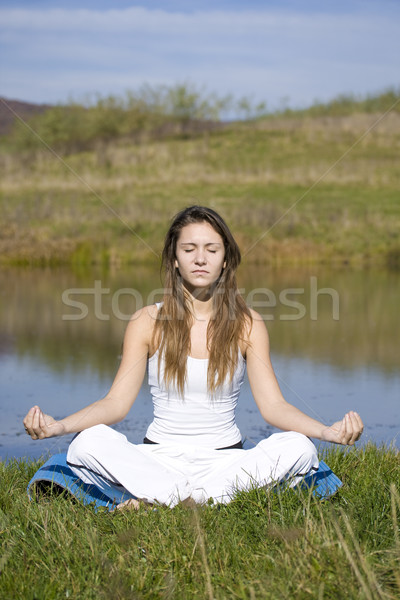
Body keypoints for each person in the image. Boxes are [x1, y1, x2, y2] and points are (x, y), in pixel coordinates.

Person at [23, 206, 363, 509]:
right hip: (158, 458)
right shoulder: (147, 321)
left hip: (226, 462)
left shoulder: (248, 324)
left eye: (211, 249)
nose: (200, 259)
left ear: (225, 258)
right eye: (189, 249)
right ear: (174, 257)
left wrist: (326, 431)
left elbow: (274, 407)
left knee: (299, 448)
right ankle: (198, 497)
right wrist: (61, 425)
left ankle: (162, 498)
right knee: (87, 442)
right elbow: (116, 404)